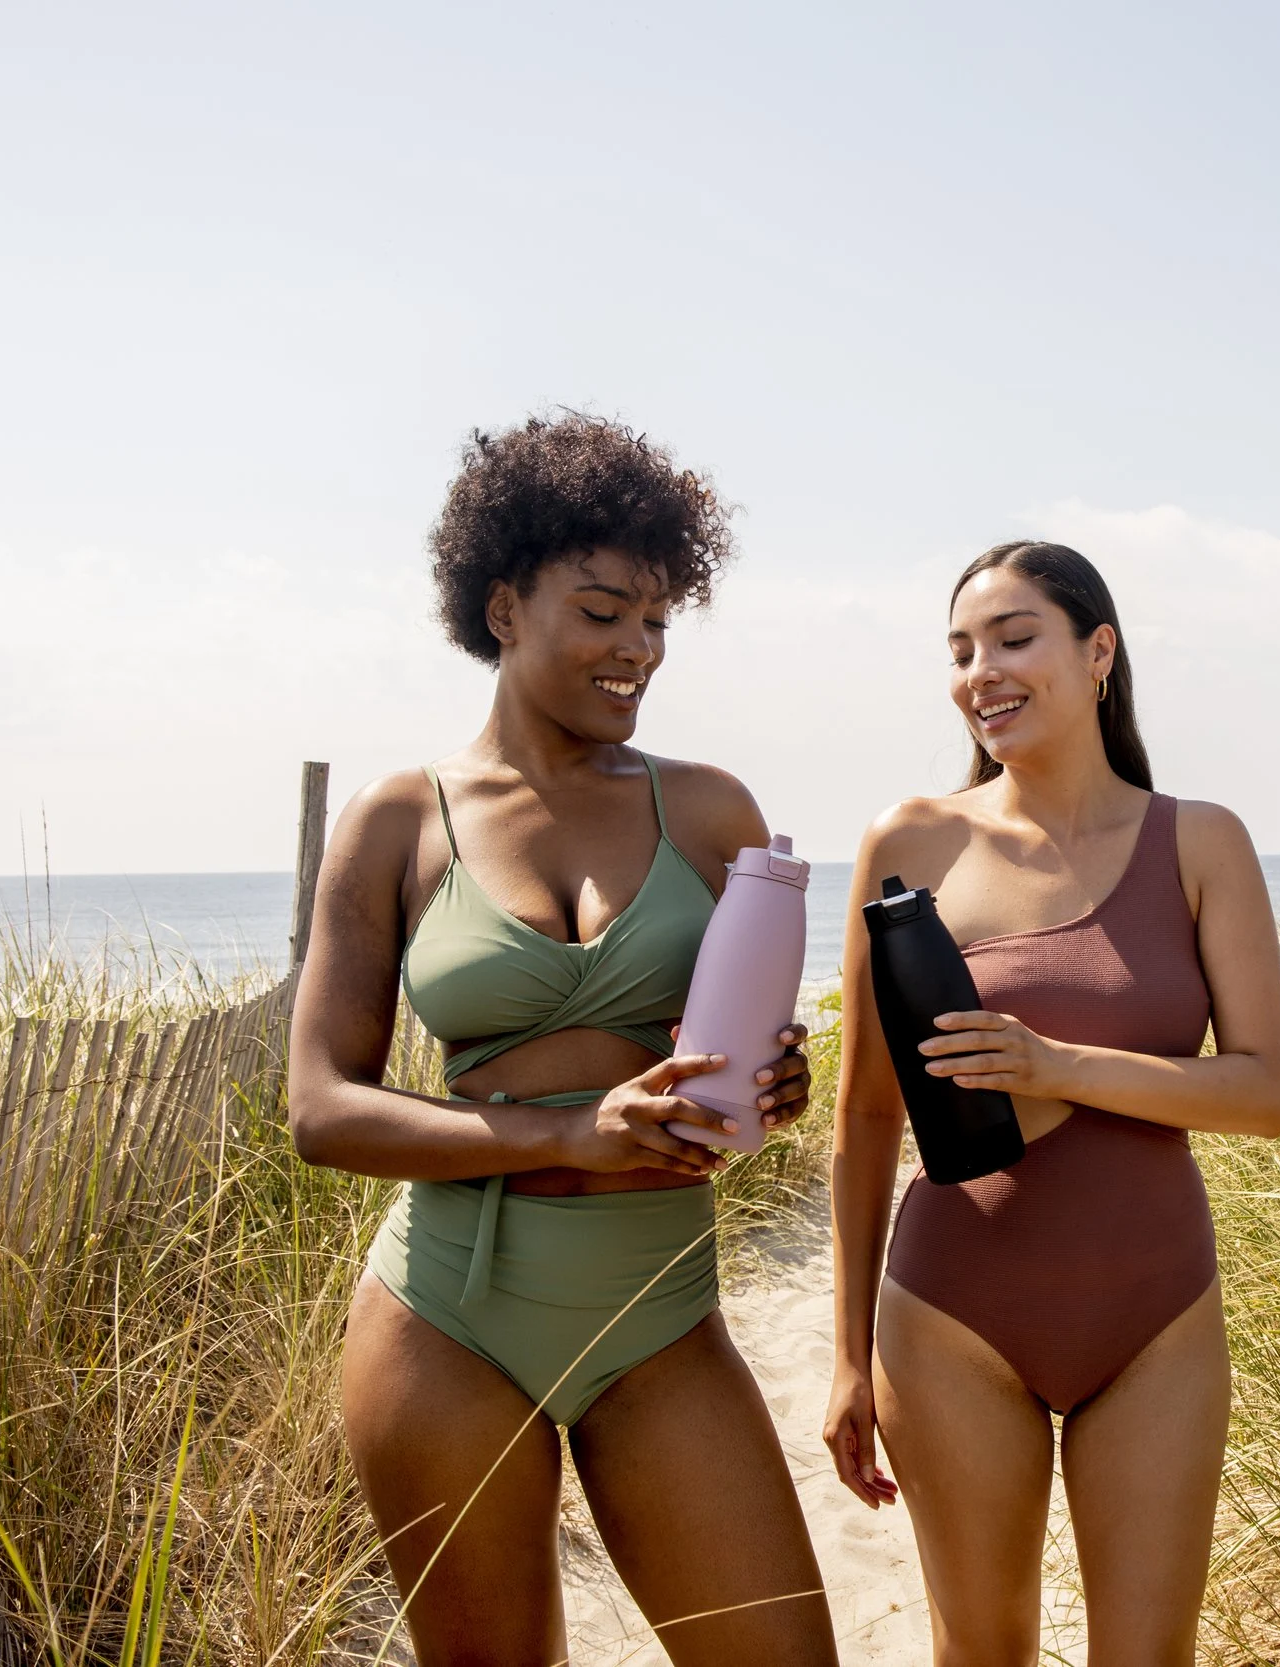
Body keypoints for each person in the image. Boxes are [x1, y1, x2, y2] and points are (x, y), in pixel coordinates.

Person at [288, 413, 838, 1664]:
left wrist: (771, 1082)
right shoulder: (396, 821)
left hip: (659, 1311)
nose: (635, 649)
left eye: (655, 621)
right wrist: (567, 1132)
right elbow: (321, 1107)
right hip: (448, 1320)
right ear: (501, 605)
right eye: (601, 611)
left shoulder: (708, 808)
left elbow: (727, 1051)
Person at [821, 540, 1280, 1662]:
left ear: (1097, 653)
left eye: (1013, 637)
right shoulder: (912, 839)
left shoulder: (1201, 841)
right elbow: (864, 1118)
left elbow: (1264, 1092)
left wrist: (1058, 1065)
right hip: (951, 1317)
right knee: (982, 1649)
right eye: (960, 650)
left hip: (1157, 1318)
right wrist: (847, 1354)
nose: (980, 669)